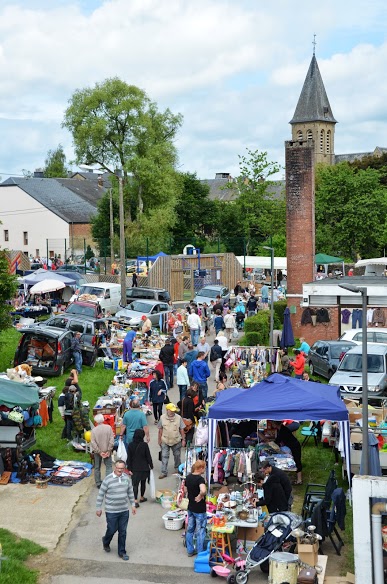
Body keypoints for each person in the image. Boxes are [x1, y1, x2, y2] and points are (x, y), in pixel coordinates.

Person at [96, 460, 137, 561]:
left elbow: (130, 492)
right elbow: (101, 493)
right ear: (115, 467)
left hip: (124, 510)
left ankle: (122, 552)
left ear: (124, 468)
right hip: (111, 511)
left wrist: (133, 505)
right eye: (118, 468)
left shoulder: (126, 479)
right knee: (112, 529)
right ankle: (106, 540)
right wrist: (98, 508)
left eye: (122, 469)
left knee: (122, 532)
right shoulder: (108, 479)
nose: (120, 470)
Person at [184, 460, 207, 557]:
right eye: (204, 468)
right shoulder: (200, 479)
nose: (204, 470)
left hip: (191, 507)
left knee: (190, 529)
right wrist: (200, 495)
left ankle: (190, 550)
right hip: (199, 509)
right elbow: (203, 490)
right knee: (200, 531)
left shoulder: (188, 477)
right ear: (200, 468)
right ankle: (200, 552)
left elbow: (185, 490)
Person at [158, 403, 186, 479]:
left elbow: (182, 429)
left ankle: (178, 469)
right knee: (164, 456)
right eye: (171, 411)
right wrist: (159, 439)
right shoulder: (162, 418)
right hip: (165, 440)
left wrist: (183, 439)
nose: (173, 412)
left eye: (174, 411)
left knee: (177, 456)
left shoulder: (178, 418)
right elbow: (160, 429)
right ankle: (164, 472)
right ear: (167, 410)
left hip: (176, 440)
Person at [126, 429, 153, 508]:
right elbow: (148, 456)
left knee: (135, 485)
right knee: (143, 483)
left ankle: (135, 500)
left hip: (135, 468)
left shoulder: (130, 445)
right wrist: (151, 465)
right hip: (144, 468)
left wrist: (129, 468)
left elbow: (129, 458)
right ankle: (141, 497)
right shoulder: (144, 445)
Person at [91, 414, 115, 488]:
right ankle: (108, 482)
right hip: (107, 450)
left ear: (96, 421)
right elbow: (111, 440)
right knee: (108, 466)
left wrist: (99, 452)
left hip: (97, 452)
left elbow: (93, 443)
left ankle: (98, 483)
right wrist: (108, 450)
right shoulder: (108, 428)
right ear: (103, 419)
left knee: (97, 467)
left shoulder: (94, 430)